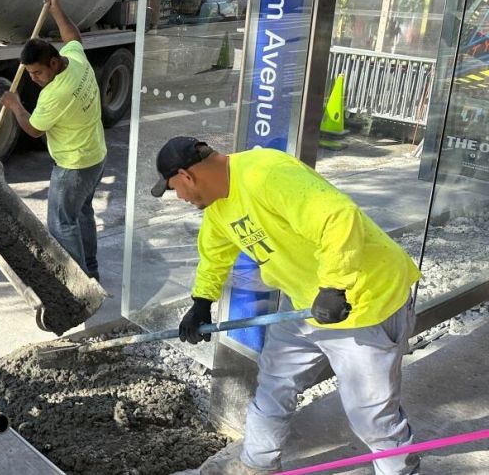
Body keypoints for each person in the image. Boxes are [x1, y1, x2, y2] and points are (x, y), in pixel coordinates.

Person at [150, 137, 420, 475]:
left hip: (363, 300)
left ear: (186, 176)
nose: (180, 198)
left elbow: (338, 217)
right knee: (274, 384)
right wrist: (201, 301)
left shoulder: (266, 173)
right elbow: (215, 253)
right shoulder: (218, 205)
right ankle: (257, 465)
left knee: (371, 414)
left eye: (175, 189)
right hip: (306, 303)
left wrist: (335, 285)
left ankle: (400, 470)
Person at [0, 0, 107, 281]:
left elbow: (33, 129)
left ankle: (77, 285)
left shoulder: (55, 94)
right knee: (81, 213)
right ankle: (91, 272)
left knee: (62, 224)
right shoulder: (76, 61)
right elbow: (73, 37)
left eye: (37, 74)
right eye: (30, 74)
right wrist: (57, 9)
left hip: (74, 165)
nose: (33, 79)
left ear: (53, 64)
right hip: (96, 156)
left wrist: (15, 104)